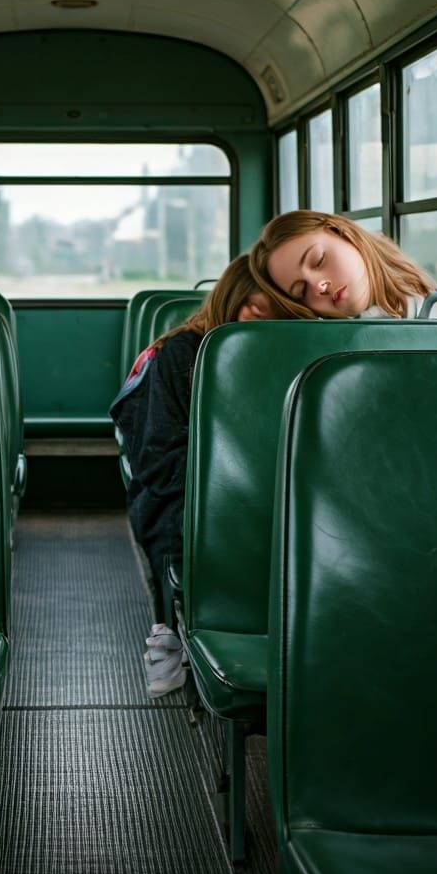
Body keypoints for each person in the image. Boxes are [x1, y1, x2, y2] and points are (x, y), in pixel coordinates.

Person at [110, 255, 288, 697]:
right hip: (186, 492)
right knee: (187, 529)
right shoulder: (179, 355)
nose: (255, 320)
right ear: (230, 300)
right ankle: (173, 631)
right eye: (250, 307)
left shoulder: (292, 352)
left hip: (272, 493)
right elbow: (159, 461)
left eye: (273, 311)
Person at [248, 210, 437, 320]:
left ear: (343, 233)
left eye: (318, 260)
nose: (319, 286)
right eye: (302, 291)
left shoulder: (436, 306)